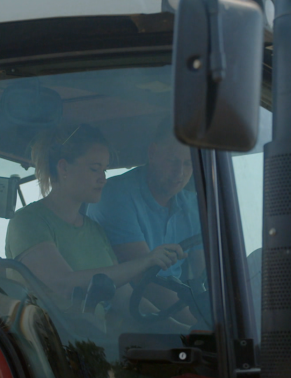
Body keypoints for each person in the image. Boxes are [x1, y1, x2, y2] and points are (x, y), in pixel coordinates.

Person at [5, 124, 185, 306]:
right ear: (64, 168)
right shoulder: (28, 221)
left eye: (104, 170)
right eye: (94, 169)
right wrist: (147, 261)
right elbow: (64, 285)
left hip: (92, 335)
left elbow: (122, 297)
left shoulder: (95, 231)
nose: (103, 178)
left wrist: (180, 329)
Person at [86, 120, 204, 318]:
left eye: (188, 163)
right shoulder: (115, 196)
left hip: (174, 305)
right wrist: (201, 326)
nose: (180, 173)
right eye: (173, 161)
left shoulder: (193, 205)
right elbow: (146, 282)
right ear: (152, 153)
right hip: (127, 311)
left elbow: (206, 273)